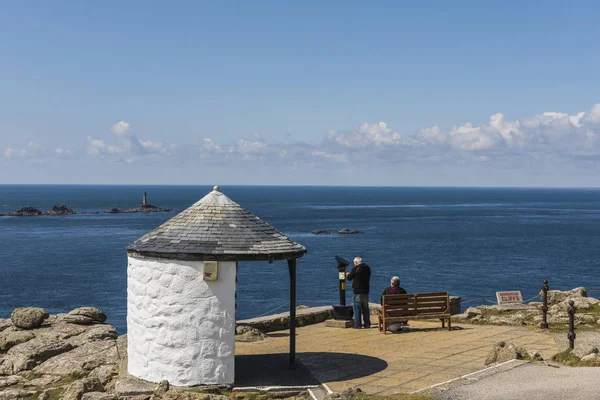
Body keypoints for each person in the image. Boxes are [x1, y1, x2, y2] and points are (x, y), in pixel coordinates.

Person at [346, 257, 371, 329]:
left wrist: (347, 274)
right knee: (365, 308)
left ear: (356, 262)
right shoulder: (367, 268)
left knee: (357, 309)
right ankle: (367, 324)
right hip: (366, 291)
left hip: (357, 291)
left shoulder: (356, 268)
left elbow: (350, 278)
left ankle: (357, 325)